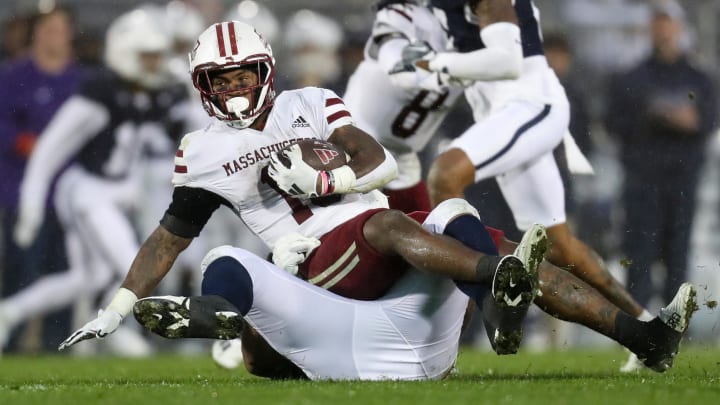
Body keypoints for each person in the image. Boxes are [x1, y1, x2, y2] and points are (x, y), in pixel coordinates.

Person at [50, 20, 541, 359]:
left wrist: (330, 179)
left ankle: (535, 302)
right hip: (308, 259)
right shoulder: (201, 150)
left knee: (451, 222)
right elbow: (167, 239)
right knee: (223, 260)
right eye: (221, 81)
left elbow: (381, 162)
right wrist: (115, 308)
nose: (235, 89)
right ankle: (228, 320)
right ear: (203, 86)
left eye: (243, 76)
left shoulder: (309, 102)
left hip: (361, 229)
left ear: (264, 71)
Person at [132, 204, 695, 380]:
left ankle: (643, 338)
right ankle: (494, 300)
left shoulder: (325, 118)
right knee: (450, 224)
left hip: (343, 339)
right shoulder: (211, 157)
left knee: (453, 217)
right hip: (396, 341)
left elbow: (370, 157)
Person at [412, 0, 655, 341]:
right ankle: (648, 329)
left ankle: (489, 302)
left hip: (528, 107)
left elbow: (506, 62)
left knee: (444, 175)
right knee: (562, 248)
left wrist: (431, 62)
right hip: (507, 117)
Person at [0, 8, 190, 356]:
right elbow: (49, 151)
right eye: (146, 56)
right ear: (125, 51)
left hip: (110, 193)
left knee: (87, 278)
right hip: (87, 192)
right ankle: (115, 329)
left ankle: (9, 313)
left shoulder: (146, 91)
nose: (154, 65)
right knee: (134, 265)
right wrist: (31, 206)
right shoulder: (101, 91)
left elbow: (136, 148)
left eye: (156, 57)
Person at [604, 3, 717, 316]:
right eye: (657, 22)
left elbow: (707, 122)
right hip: (643, 180)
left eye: (667, 23)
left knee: (677, 256)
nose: (662, 30)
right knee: (639, 256)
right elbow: (613, 123)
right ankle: (637, 328)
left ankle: (673, 327)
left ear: (679, 28)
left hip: (682, 180)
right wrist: (652, 115)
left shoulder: (699, 78)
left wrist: (685, 120)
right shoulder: (632, 76)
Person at [0, 7, 81, 352]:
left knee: (64, 271)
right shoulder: (14, 75)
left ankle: (56, 346)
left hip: (70, 193)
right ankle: (10, 343)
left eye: (60, 29)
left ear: (70, 34)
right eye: (48, 29)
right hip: (23, 191)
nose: (54, 36)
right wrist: (25, 143)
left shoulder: (84, 81)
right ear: (36, 33)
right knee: (22, 268)